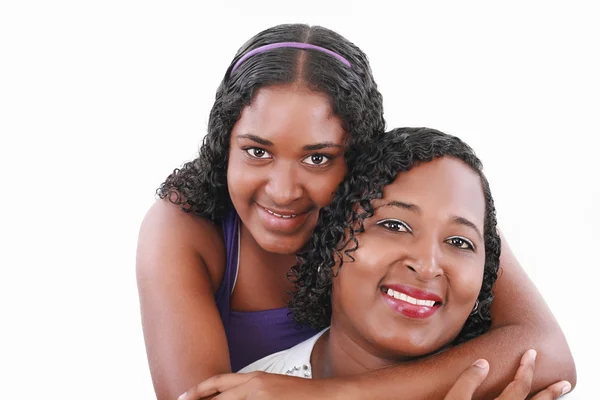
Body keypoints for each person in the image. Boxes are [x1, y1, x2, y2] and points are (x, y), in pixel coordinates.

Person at [136, 24, 575, 400]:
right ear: (222, 146)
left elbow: (547, 350)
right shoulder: (184, 226)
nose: (284, 191)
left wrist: (332, 395)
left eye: (318, 158)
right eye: (256, 151)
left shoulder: (416, 212)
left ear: (360, 163)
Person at [178, 128, 572, 400]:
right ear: (331, 239)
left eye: (458, 241)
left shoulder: (518, 386)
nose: (427, 264)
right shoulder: (250, 391)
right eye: (394, 224)